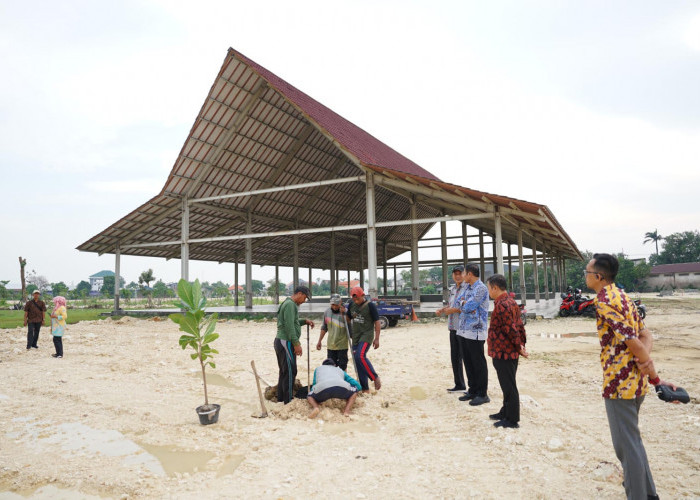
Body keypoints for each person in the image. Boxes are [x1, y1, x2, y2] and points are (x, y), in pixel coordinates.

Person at [585, 253, 677, 500]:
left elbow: (633, 340)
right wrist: (646, 367)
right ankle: (650, 494)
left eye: (587, 272)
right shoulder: (623, 296)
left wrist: (649, 367)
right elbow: (646, 335)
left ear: (598, 276)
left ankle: (638, 496)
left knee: (626, 447)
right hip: (636, 382)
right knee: (633, 442)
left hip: (619, 385)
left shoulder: (604, 301)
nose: (585, 276)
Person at [485, 274, 527, 428]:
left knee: (509, 386)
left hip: (504, 352)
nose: (489, 291)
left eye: (489, 288)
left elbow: (511, 330)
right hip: (506, 351)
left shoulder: (503, 305)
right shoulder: (510, 301)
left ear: (495, 288)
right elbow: (520, 326)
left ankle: (512, 419)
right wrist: (521, 344)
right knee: (506, 384)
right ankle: (505, 411)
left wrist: (519, 347)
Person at [274, 286, 315, 404]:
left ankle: (281, 398)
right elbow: (289, 326)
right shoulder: (290, 305)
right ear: (300, 294)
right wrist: (296, 343)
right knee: (291, 370)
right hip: (285, 341)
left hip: (282, 341)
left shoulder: (289, 304)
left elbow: (292, 321)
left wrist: (304, 321)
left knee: (284, 370)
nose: (304, 301)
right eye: (305, 298)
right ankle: (288, 400)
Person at [456, 263, 490, 406]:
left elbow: (468, 306)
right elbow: (459, 302)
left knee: (478, 363)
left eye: (464, 273)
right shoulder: (468, 288)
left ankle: (482, 394)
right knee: (468, 361)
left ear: (470, 274)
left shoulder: (481, 288)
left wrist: (465, 304)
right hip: (464, 330)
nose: (462, 276)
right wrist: (464, 304)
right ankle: (473, 390)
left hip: (476, 331)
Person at [436, 265, 468, 393]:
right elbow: (451, 305)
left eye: (460, 273)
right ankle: (459, 384)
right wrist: (442, 310)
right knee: (455, 357)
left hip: (464, 328)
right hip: (453, 327)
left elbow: (468, 306)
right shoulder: (453, 289)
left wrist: (451, 310)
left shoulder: (467, 288)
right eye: (455, 274)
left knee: (466, 358)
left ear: (465, 274)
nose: (458, 276)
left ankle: (473, 387)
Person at [346, 286, 381, 392]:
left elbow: (377, 322)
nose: (356, 301)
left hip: (367, 335)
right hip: (356, 336)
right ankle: (365, 388)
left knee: (360, 356)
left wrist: (377, 338)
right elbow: (347, 318)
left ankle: (375, 377)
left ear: (363, 295)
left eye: (358, 299)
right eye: (354, 299)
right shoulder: (351, 305)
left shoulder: (370, 306)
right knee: (357, 361)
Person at [316, 294, 349, 371]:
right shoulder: (327, 312)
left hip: (342, 346)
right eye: (333, 305)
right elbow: (324, 327)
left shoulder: (345, 312)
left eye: (336, 305)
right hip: (331, 345)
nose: (334, 307)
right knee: (330, 367)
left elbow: (350, 326)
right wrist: (319, 341)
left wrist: (344, 314)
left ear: (340, 303)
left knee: (342, 367)